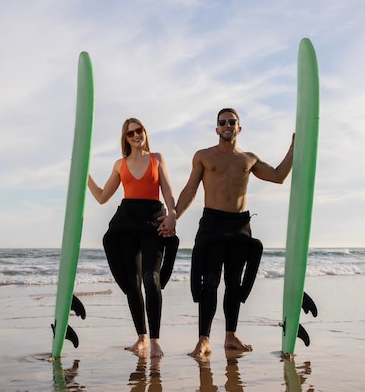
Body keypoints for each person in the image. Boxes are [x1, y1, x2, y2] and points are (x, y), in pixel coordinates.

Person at [174, 108, 295, 358]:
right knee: (210, 283)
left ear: (239, 128)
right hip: (212, 223)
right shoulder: (204, 156)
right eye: (222, 122)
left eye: (232, 121)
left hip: (239, 225)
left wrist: (294, 148)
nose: (227, 125)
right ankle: (204, 340)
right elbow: (190, 190)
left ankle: (231, 336)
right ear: (217, 129)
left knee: (234, 283)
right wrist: (173, 215)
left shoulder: (248, 159)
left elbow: (278, 176)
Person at [87, 118, 178, 358]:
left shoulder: (157, 158)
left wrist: (172, 213)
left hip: (151, 221)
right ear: (125, 139)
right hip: (126, 223)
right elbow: (102, 197)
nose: (137, 135)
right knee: (133, 283)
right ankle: (142, 338)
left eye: (140, 130)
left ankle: (156, 340)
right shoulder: (120, 164)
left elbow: (166, 189)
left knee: (151, 278)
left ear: (145, 132)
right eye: (131, 133)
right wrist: (84, 173)